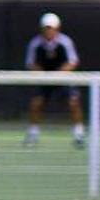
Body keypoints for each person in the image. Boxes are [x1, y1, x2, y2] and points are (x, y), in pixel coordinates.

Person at [23, 11, 84, 149]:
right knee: (35, 102)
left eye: (51, 28)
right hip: (43, 79)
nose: (49, 31)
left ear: (57, 28)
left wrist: (59, 74)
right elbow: (31, 63)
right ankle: (33, 133)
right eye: (46, 28)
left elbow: (72, 62)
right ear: (42, 29)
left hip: (63, 78)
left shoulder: (65, 42)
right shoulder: (35, 43)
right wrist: (43, 75)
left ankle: (78, 134)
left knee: (73, 101)